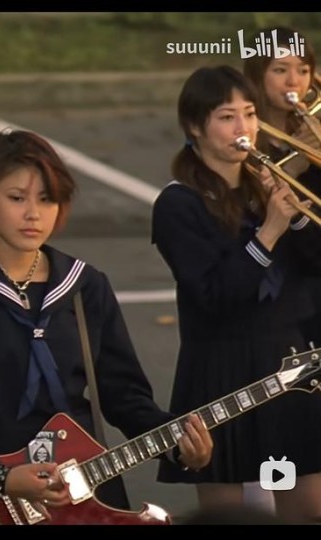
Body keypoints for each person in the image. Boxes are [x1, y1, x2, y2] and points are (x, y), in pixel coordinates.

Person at [0, 129, 212, 519]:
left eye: (47, 199)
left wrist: (178, 446)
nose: (33, 214)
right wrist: (0, 476)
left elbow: (125, 397)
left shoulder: (85, 286)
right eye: (17, 198)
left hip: (88, 487)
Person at [152, 65, 321, 523]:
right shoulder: (178, 204)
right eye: (227, 117)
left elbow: (314, 265)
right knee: (229, 514)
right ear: (194, 126)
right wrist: (268, 232)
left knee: (303, 512)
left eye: (249, 114)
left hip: (286, 369)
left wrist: (296, 216)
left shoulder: (265, 186)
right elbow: (215, 296)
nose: (243, 127)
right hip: (222, 374)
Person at [242, 26, 321, 349]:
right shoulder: (242, 134)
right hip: (277, 294)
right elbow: (249, 201)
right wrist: (299, 159)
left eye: (303, 70)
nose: (294, 82)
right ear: (256, 74)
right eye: (280, 70)